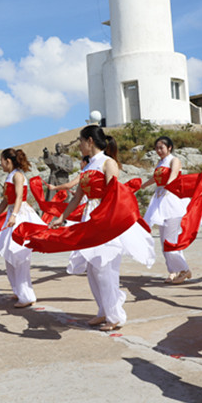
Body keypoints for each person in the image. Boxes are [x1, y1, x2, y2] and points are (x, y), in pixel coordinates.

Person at [49, 126, 155, 331]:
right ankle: (103, 310)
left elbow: (113, 195)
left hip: (104, 217)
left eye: (80, 141)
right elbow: (78, 198)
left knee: (105, 267)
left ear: (90, 141)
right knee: (92, 268)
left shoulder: (108, 163)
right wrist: (61, 217)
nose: (79, 145)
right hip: (89, 216)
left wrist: (103, 218)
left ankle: (115, 316)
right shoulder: (87, 166)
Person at [139, 136, 202, 284]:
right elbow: (156, 178)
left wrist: (168, 186)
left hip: (172, 201)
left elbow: (173, 175)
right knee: (165, 241)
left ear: (169, 148)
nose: (158, 150)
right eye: (156, 148)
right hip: (160, 201)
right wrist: (143, 185)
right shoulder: (160, 162)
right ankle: (173, 271)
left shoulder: (174, 160)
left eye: (161, 147)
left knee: (170, 241)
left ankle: (184, 270)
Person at [0, 148, 46, 307]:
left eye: (1, 161)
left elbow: (19, 197)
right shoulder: (9, 176)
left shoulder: (18, 175)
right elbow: (6, 201)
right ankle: (18, 291)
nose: (0, 164)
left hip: (20, 215)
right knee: (9, 254)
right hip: (12, 214)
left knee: (19, 255)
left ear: (8, 161)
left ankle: (27, 296)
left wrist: (14, 215)